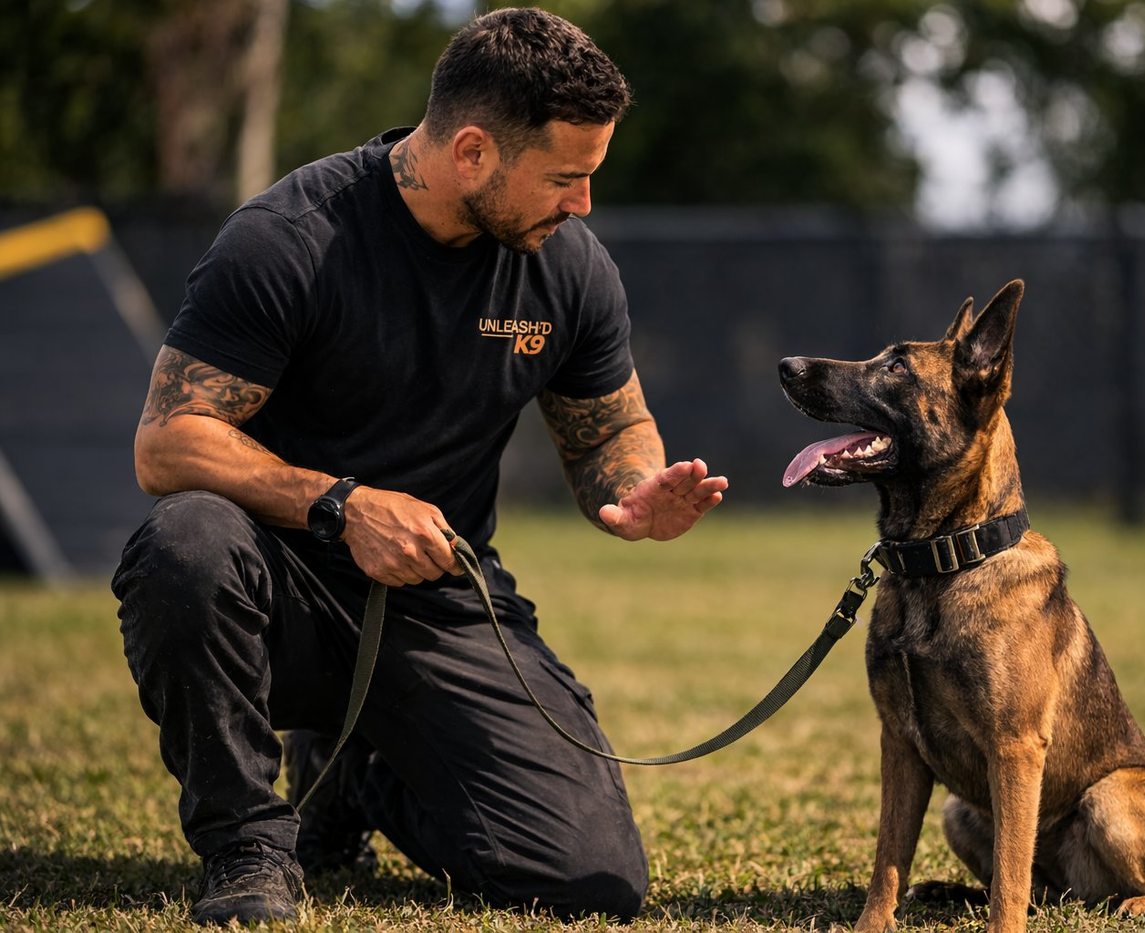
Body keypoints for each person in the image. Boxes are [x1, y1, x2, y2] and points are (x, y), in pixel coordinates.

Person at [111, 7, 727, 926]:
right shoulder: (290, 237)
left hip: (437, 600)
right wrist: (344, 504)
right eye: (566, 177)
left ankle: (356, 772)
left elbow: (610, 428)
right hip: (275, 589)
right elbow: (167, 443)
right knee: (185, 544)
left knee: (591, 881)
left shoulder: (569, 268)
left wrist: (635, 487)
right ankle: (248, 844)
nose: (583, 204)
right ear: (472, 152)